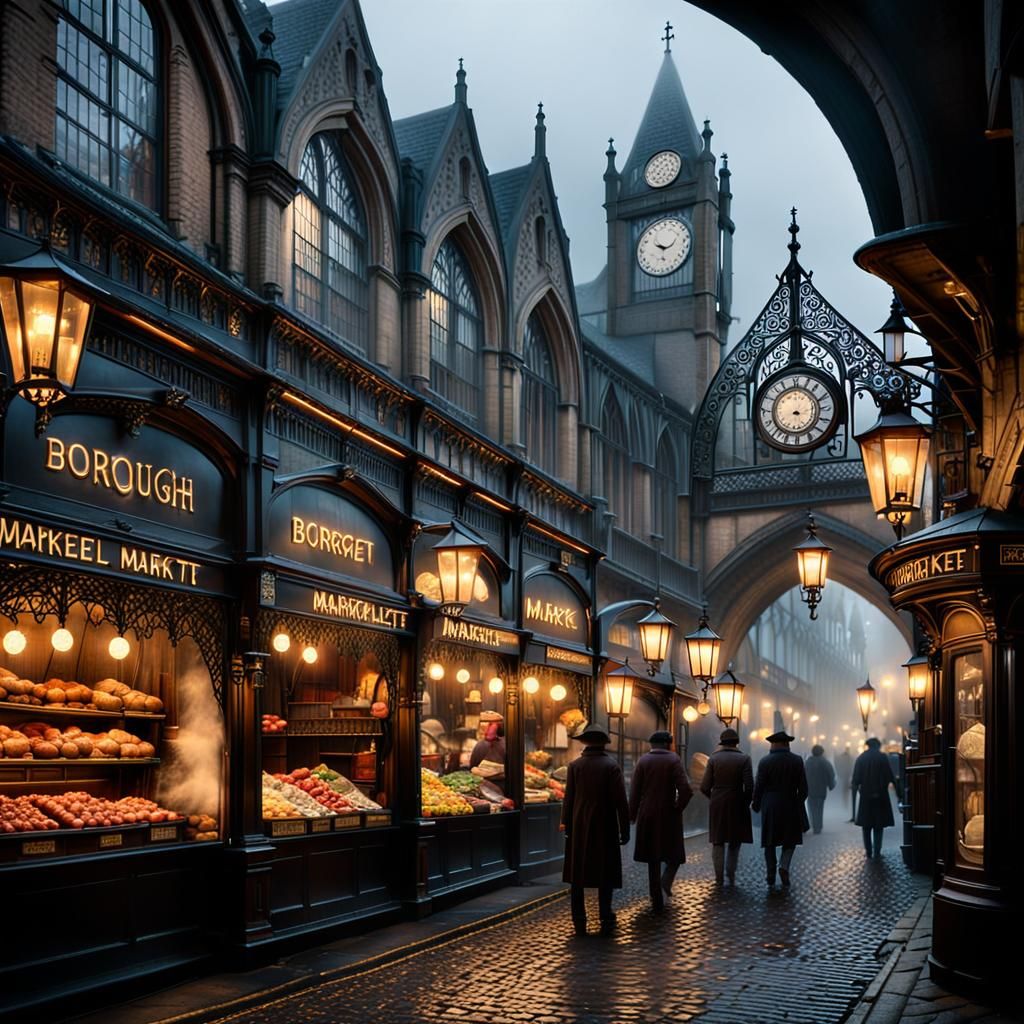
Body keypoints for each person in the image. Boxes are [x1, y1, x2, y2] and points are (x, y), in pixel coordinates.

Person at [561, 724, 630, 936]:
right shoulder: (611, 766)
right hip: (605, 826)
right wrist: (624, 829)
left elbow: (568, 798)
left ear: (585, 742)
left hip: (579, 827)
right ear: (603, 743)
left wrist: (566, 824)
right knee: (604, 873)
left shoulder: (575, 766)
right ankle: (605, 917)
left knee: (578, 875)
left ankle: (579, 921)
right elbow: (621, 801)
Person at [628, 730, 692, 910]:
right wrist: (678, 808)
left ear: (652, 744)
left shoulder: (643, 761)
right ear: (667, 744)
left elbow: (634, 792)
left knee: (652, 858)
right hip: (668, 814)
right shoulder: (673, 760)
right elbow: (686, 790)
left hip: (647, 814)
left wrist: (632, 815)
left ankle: (656, 898)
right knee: (675, 853)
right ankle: (666, 882)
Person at [751, 730, 808, 890]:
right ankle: (784, 866)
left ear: (774, 744)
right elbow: (804, 788)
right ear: (786, 744)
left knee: (769, 841)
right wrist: (798, 802)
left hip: (770, 805)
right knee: (790, 840)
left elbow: (759, 786)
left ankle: (770, 872)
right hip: (790, 803)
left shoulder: (765, 761)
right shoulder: (797, 760)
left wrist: (756, 804)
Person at [700, 727, 754, 885]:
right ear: (736, 743)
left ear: (722, 743)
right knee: (735, 840)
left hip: (717, 803)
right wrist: (745, 802)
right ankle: (731, 873)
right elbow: (749, 786)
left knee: (718, 841)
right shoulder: (745, 759)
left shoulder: (713, 759)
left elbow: (704, 786)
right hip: (737, 802)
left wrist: (713, 798)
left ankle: (718, 877)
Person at [852, 736, 897, 858]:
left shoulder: (861, 758)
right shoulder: (882, 757)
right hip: (881, 796)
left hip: (865, 797)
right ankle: (877, 851)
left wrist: (857, 793)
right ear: (877, 745)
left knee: (866, 826)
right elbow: (890, 776)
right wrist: (899, 794)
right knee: (878, 825)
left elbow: (856, 779)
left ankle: (868, 851)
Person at [804, 744, 836, 834]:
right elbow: (831, 774)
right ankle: (818, 826)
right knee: (819, 808)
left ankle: (814, 824)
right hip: (821, 789)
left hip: (810, 789)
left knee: (812, 808)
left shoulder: (808, 762)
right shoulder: (825, 762)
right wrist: (831, 785)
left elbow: (802, 774)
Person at [836, 745, 854, 819]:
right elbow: (851, 766)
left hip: (843, 775)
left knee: (844, 791)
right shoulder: (850, 757)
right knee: (845, 791)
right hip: (846, 775)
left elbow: (838, 765)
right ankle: (845, 804)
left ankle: (844, 804)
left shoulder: (842, 757)